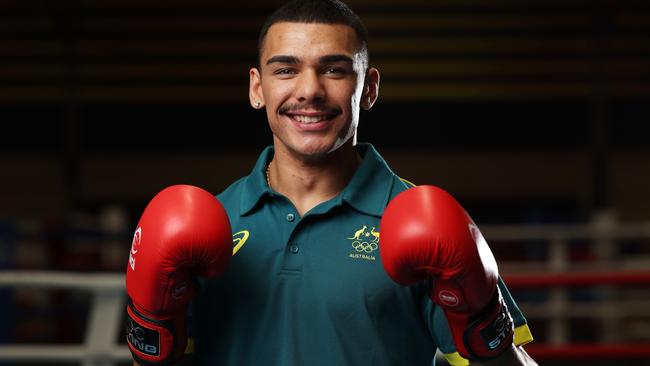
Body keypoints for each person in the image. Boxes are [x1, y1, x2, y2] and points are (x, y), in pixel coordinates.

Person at [125, 0, 537, 365]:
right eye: (286, 69)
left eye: (334, 70)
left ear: (369, 88)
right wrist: (152, 321)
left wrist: (482, 319)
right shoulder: (214, 220)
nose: (310, 91)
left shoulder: (414, 215)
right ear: (257, 88)